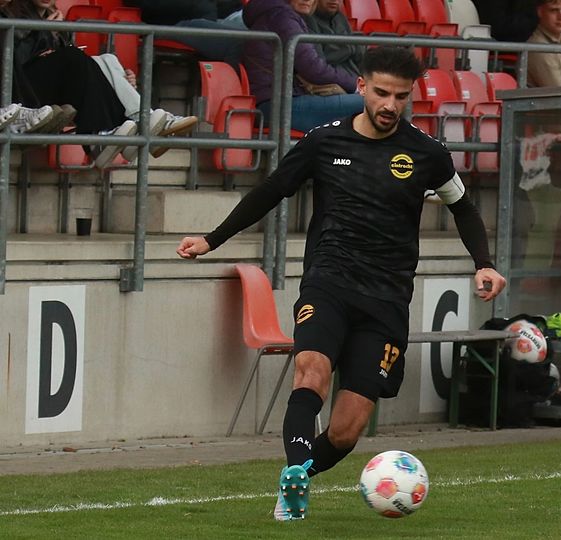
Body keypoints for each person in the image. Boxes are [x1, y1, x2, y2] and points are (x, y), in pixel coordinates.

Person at [176, 46, 506, 522]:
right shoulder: (323, 141)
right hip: (328, 282)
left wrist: (484, 263)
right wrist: (212, 239)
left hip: (387, 299)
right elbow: (271, 190)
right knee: (311, 369)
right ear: (362, 87)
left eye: (400, 96)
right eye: (382, 93)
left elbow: (464, 207)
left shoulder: (427, 153)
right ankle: (294, 475)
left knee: (347, 429)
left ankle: (299, 474)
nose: (390, 105)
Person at [3, 0, 197, 167]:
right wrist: (45, 33)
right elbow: (14, 62)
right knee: (75, 57)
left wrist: (118, 79)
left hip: (51, 86)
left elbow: (65, 62)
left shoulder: (55, 19)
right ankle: (107, 133)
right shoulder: (11, 12)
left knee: (106, 60)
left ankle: (140, 118)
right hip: (22, 91)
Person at [243, 0, 362, 133]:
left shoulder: (282, 14)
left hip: (281, 101)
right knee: (371, 102)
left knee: (373, 103)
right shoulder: (283, 17)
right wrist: (356, 86)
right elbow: (313, 68)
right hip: (277, 106)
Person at [306, 0, 364, 77]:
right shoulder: (307, 20)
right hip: (330, 79)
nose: (334, 0)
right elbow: (319, 61)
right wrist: (348, 49)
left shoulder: (340, 17)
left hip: (354, 76)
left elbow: (358, 53)